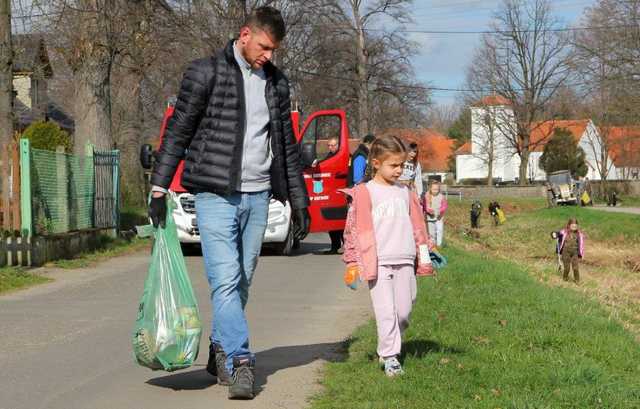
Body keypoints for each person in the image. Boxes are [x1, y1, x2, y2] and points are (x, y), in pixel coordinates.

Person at [147, 7, 310, 400]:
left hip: (257, 196)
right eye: (264, 47)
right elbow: (178, 131)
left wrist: (299, 201)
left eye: (274, 50)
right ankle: (240, 362)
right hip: (214, 195)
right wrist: (158, 188)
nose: (268, 55)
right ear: (244, 35)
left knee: (242, 281)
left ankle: (220, 348)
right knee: (225, 280)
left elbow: (286, 146)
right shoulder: (205, 73)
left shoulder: (276, 84)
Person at [341, 135, 435, 377]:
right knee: (385, 311)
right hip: (379, 263)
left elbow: (418, 227)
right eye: (393, 165)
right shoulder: (365, 193)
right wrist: (352, 262)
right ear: (376, 163)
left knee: (404, 311)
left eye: (402, 165)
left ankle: (392, 341)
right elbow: (352, 229)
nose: (399, 170)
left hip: (405, 259)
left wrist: (426, 251)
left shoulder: (406, 193)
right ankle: (390, 356)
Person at [553, 218, 585, 284]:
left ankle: (577, 280)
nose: (574, 227)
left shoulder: (579, 234)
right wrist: (554, 234)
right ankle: (565, 278)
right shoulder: (564, 232)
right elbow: (557, 234)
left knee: (575, 267)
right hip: (565, 252)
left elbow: (581, 245)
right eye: (572, 226)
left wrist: (581, 253)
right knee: (567, 268)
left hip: (575, 252)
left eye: (575, 226)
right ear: (569, 225)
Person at [423, 181, 448, 247]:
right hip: (430, 218)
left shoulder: (441, 196)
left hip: (439, 217)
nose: (435, 191)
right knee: (431, 232)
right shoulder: (427, 196)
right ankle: (432, 244)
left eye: (437, 189)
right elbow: (424, 206)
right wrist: (428, 210)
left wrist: (441, 211)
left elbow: (444, 205)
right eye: (434, 189)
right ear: (430, 189)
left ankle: (439, 244)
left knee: (439, 230)